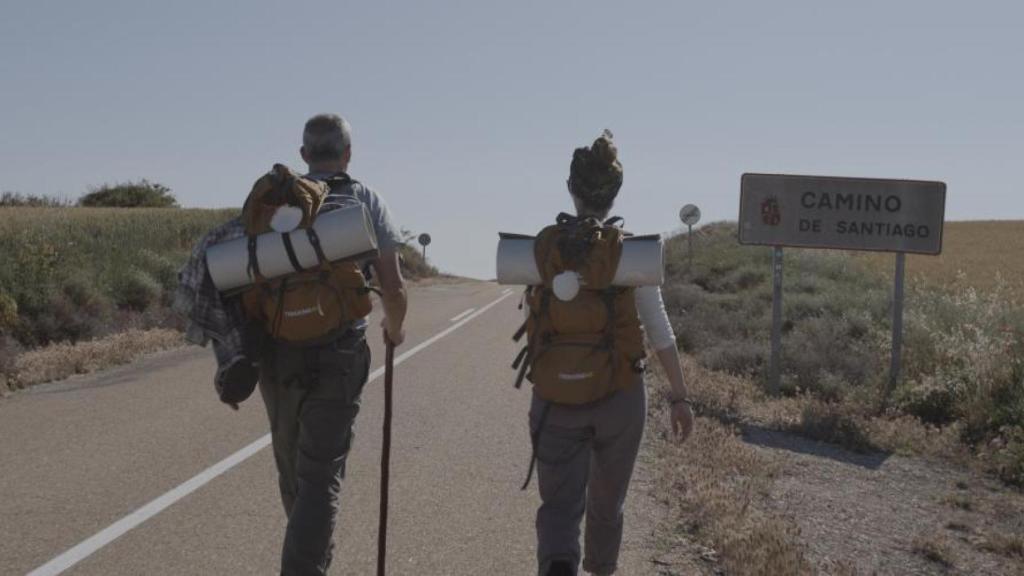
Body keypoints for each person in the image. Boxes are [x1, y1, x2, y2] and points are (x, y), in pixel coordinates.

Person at [528, 131, 694, 576]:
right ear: (615, 192)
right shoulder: (631, 253)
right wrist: (679, 396)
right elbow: (658, 328)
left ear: (571, 189)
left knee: (560, 508)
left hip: (555, 396)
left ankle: (558, 564)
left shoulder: (545, 251)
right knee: (607, 505)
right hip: (619, 396)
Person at [256, 113, 407, 576]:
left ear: (304, 156)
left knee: (295, 474)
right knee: (319, 477)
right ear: (347, 154)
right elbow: (394, 287)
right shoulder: (363, 198)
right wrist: (395, 329)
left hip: (277, 353)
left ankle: (311, 557)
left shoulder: (277, 200)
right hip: (339, 353)